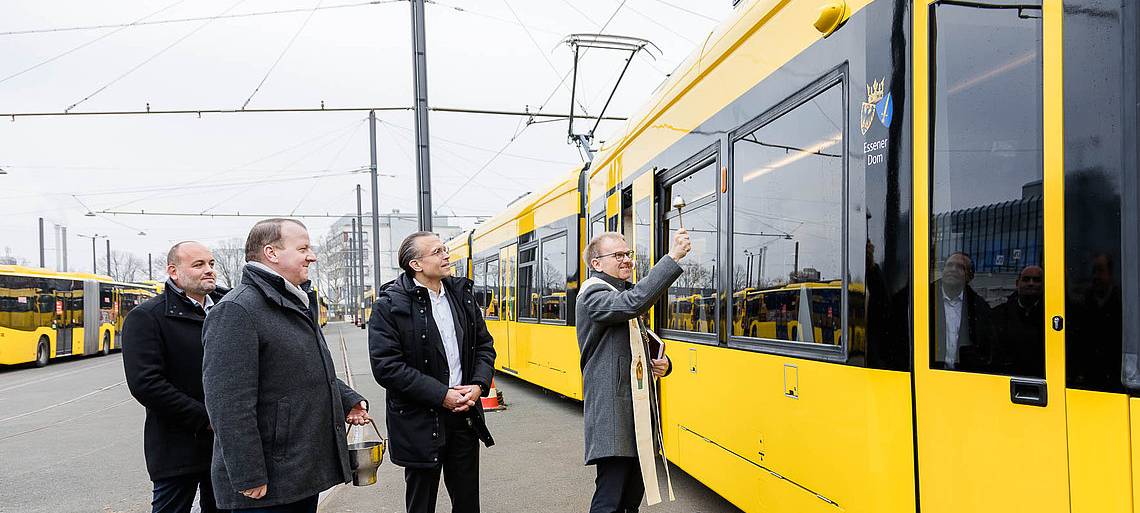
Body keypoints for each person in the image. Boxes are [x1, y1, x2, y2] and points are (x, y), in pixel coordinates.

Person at [202, 218, 370, 513]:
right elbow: (228, 403)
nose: (312, 256)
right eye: (303, 248)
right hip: (266, 484)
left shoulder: (292, 300)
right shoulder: (237, 309)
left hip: (296, 471)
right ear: (271, 253)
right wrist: (248, 473)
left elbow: (305, 369)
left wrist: (347, 400)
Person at [368, 232, 496, 513]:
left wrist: (478, 385)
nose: (446, 255)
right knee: (421, 503)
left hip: (464, 416)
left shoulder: (461, 296)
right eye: (437, 252)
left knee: (467, 503)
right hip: (419, 422)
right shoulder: (389, 305)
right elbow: (387, 367)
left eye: (444, 249)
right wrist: (442, 395)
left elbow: (484, 346)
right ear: (416, 264)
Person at [577, 229, 691, 513]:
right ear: (596, 263)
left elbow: (639, 344)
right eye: (618, 255)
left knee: (630, 501)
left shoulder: (621, 293)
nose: (626, 260)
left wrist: (664, 363)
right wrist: (672, 257)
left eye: (627, 254)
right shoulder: (592, 294)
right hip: (613, 414)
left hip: (634, 413)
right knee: (609, 501)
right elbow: (632, 304)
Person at [123, 241, 229, 513]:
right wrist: (207, 419)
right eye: (198, 265)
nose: (209, 270)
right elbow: (146, 384)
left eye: (211, 264)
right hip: (177, 447)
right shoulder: (147, 316)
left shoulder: (229, 308)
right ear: (173, 271)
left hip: (226, 445)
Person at [931, 251, 996, 371]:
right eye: (949, 265)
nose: (953, 269)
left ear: (970, 277)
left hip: (964, 376)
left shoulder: (980, 308)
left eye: (960, 267)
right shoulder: (924, 299)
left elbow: (986, 349)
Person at [992, 265, 1045, 376]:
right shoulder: (998, 315)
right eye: (1026, 279)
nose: (1031, 283)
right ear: (1017, 283)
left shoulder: (1053, 316)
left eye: (1036, 280)